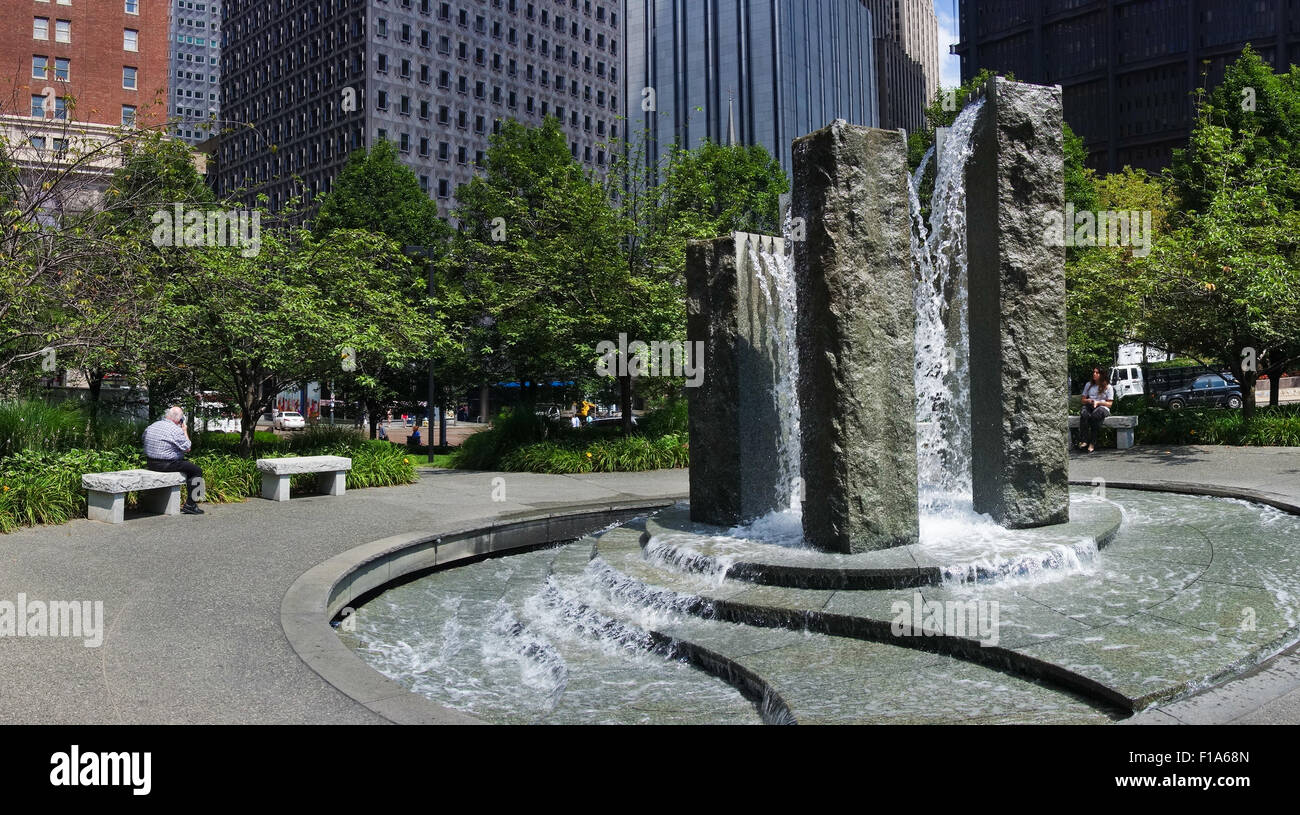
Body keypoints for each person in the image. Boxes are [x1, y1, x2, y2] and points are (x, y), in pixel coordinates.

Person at [142, 406, 205, 515]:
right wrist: (184, 430)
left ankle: (191, 503)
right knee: (197, 471)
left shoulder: (152, 426)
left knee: (187, 466)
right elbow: (187, 448)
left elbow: (143, 438)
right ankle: (191, 504)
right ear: (179, 420)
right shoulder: (176, 430)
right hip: (167, 464)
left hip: (150, 463)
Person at [1079, 367, 1115, 453]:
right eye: (1094, 372)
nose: (1094, 374)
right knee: (1084, 413)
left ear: (1102, 375)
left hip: (1102, 407)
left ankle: (1092, 443)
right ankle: (1084, 440)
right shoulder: (1088, 385)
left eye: (1097, 372)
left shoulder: (1108, 387)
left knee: (1095, 416)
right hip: (1090, 405)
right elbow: (1083, 400)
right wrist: (1089, 400)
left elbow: (1109, 404)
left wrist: (1098, 403)